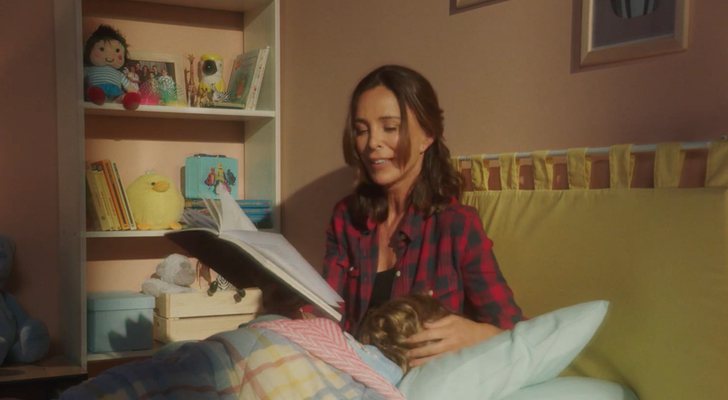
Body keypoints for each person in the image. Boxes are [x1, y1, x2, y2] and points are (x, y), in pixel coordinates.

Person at [321, 64, 523, 368]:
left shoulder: (456, 225)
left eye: (390, 127)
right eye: (362, 130)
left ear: (427, 135)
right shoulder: (346, 218)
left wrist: (477, 334)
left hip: (417, 382)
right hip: (349, 373)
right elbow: (326, 313)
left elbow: (514, 330)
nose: (372, 143)